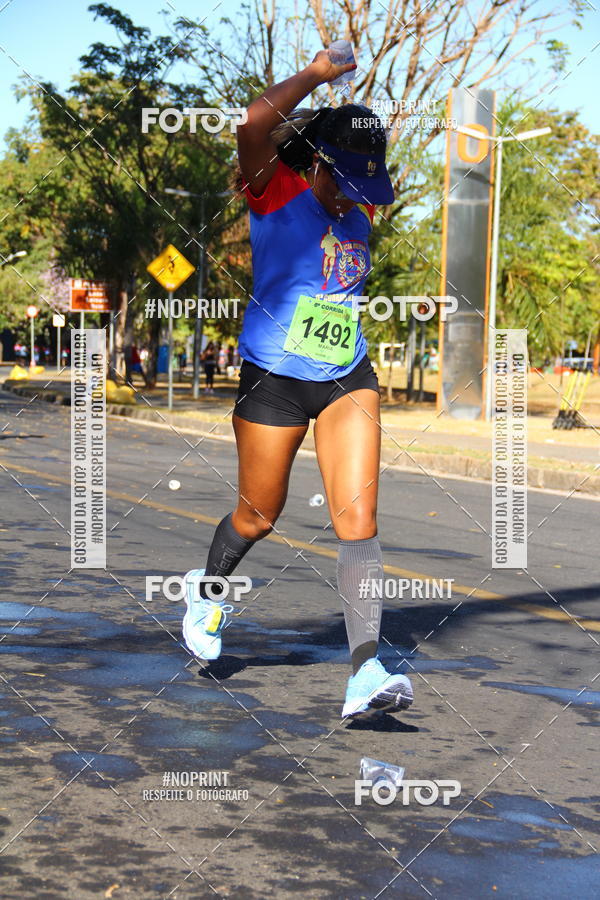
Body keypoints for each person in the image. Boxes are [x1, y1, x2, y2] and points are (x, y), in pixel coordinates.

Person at [182, 51, 413, 719]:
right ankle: (207, 593)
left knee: (359, 520)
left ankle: (365, 673)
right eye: (342, 179)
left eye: (366, 184)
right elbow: (254, 125)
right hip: (273, 381)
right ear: (315, 163)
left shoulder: (361, 213)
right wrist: (316, 74)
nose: (354, 194)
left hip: (347, 378)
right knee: (258, 513)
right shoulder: (274, 192)